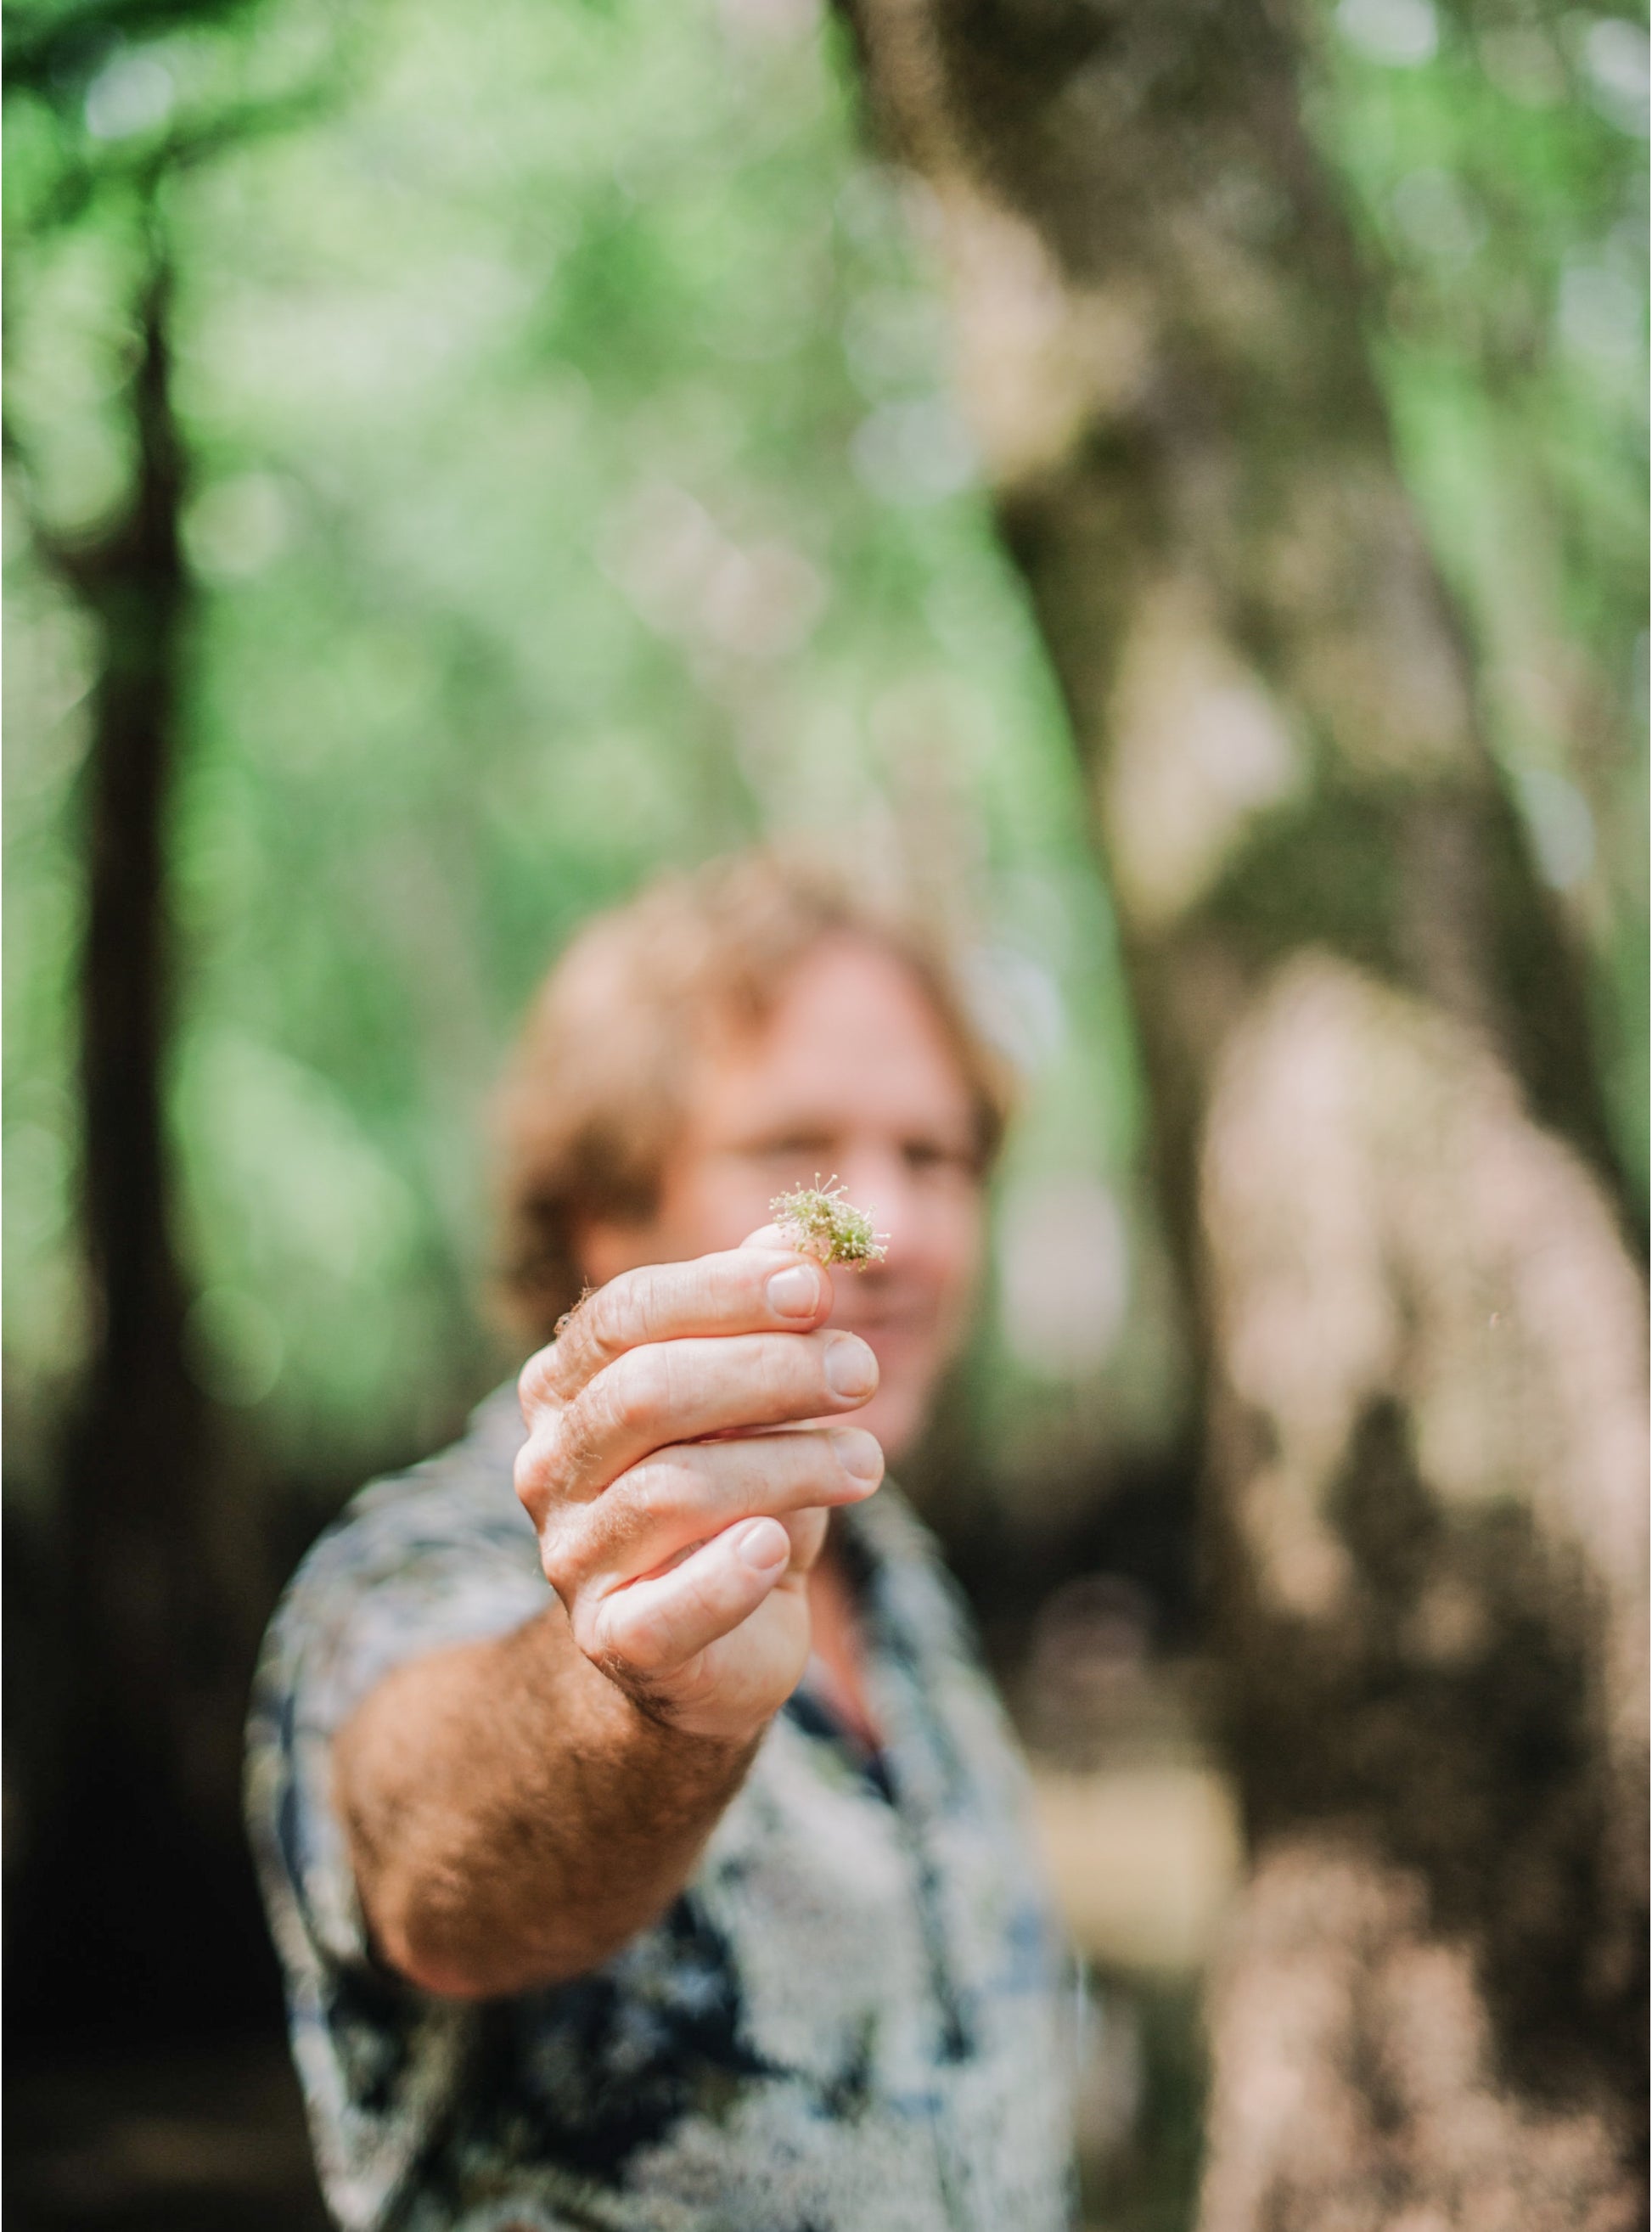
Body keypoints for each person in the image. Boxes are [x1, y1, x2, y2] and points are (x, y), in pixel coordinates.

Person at [246, 852, 1076, 2232]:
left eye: (934, 1157)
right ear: (605, 1213)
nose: (898, 1230)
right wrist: (640, 1698)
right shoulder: (411, 1562)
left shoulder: (899, 1572)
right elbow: (427, 1865)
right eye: (796, 1153)